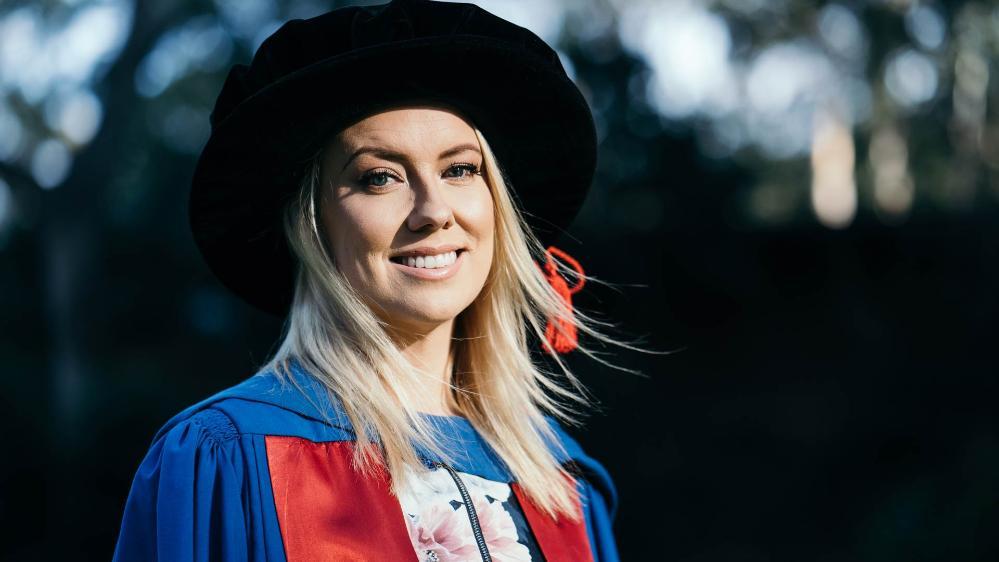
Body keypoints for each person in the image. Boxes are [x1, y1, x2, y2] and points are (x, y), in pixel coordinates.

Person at [113, 0, 648, 560]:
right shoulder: (229, 457)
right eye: (379, 178)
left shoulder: (562, 482)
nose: (433, 210)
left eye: (460, 169)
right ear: (311, 224)